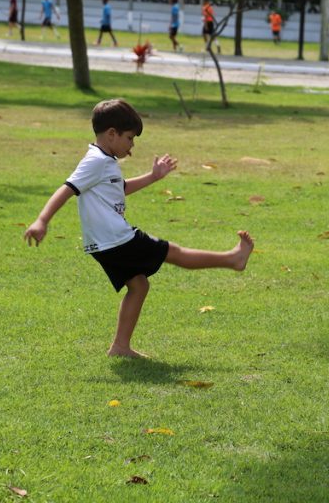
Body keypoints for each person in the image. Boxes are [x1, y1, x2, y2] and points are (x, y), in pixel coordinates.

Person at [23, 99, 254, 358]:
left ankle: (120, 347)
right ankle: (233, 259)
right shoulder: (95, 161)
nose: (132, 146)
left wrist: (153, 176)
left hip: (105, 243)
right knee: (173, 252)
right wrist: (42, 220)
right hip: (117, 239)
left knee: (139, 285)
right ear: (112, 134)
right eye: (130, 138)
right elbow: (67, 189)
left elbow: (120, 189)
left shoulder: (105, 160)